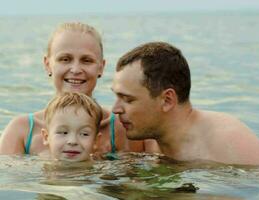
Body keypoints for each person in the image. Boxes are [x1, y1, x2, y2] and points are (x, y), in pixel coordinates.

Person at [0, 22, 159, 156]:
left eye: (86, 60)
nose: (75, 69)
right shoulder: (22, 131)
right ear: (48, 64)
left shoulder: (121, 128)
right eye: (65, 59)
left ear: (101, 67)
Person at [111, 41, 259, 165]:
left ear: (167, 100)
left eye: (128, 99)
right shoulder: (149, 140)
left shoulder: (227, 143)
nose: (116, 109)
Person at [41, 92, 102, 162]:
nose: (72, 141)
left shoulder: (102, 169)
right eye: (63, 132)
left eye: (84, 134)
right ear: (46, 137)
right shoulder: (40, 167)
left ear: (96, 141)